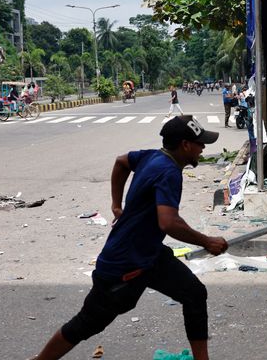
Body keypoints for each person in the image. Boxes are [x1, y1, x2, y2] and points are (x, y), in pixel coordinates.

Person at [31, 115, 228, 360]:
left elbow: (121, 162)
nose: (203, 148)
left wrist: (116, 204)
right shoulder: (169, 172)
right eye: (200, 143)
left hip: (150, 255)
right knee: (87, 323)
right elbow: (168, 222)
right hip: (124, 264)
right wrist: (207, 241)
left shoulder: (152, 156)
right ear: (185, 145)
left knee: (194, 293)